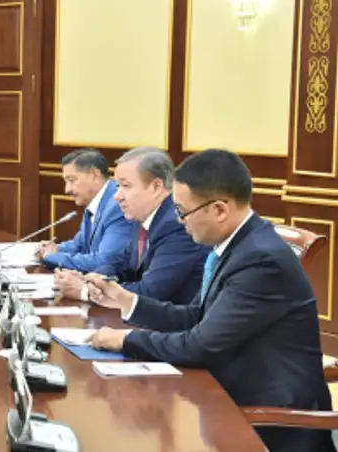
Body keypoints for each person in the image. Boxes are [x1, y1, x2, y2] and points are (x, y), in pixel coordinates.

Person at [84, 149, 335, 452]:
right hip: (230, 397)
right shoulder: (239, 245)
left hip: (272, 423)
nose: (180, 221)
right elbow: (198, 316)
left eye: (183, 212)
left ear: (219, 210)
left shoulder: (260, 260)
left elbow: (201, 345)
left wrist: (125, 340)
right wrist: (128, 301)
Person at [56, 147, 208, 304]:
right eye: (118, 186)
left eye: (125, 186)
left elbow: (150, 292)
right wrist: (91, 279)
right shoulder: (140, 217)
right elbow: (121, 263)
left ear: (156, 187)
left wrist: (86, 291)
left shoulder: (176, 225)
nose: (117, 196)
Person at [38, 148, 131, 271]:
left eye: (72, 180)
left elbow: (104, 262)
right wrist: (54, 249)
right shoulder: (96, 202)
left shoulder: (117, 206)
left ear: (95, 175)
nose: (67, 189)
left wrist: (52, 257)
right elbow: (80, 245)